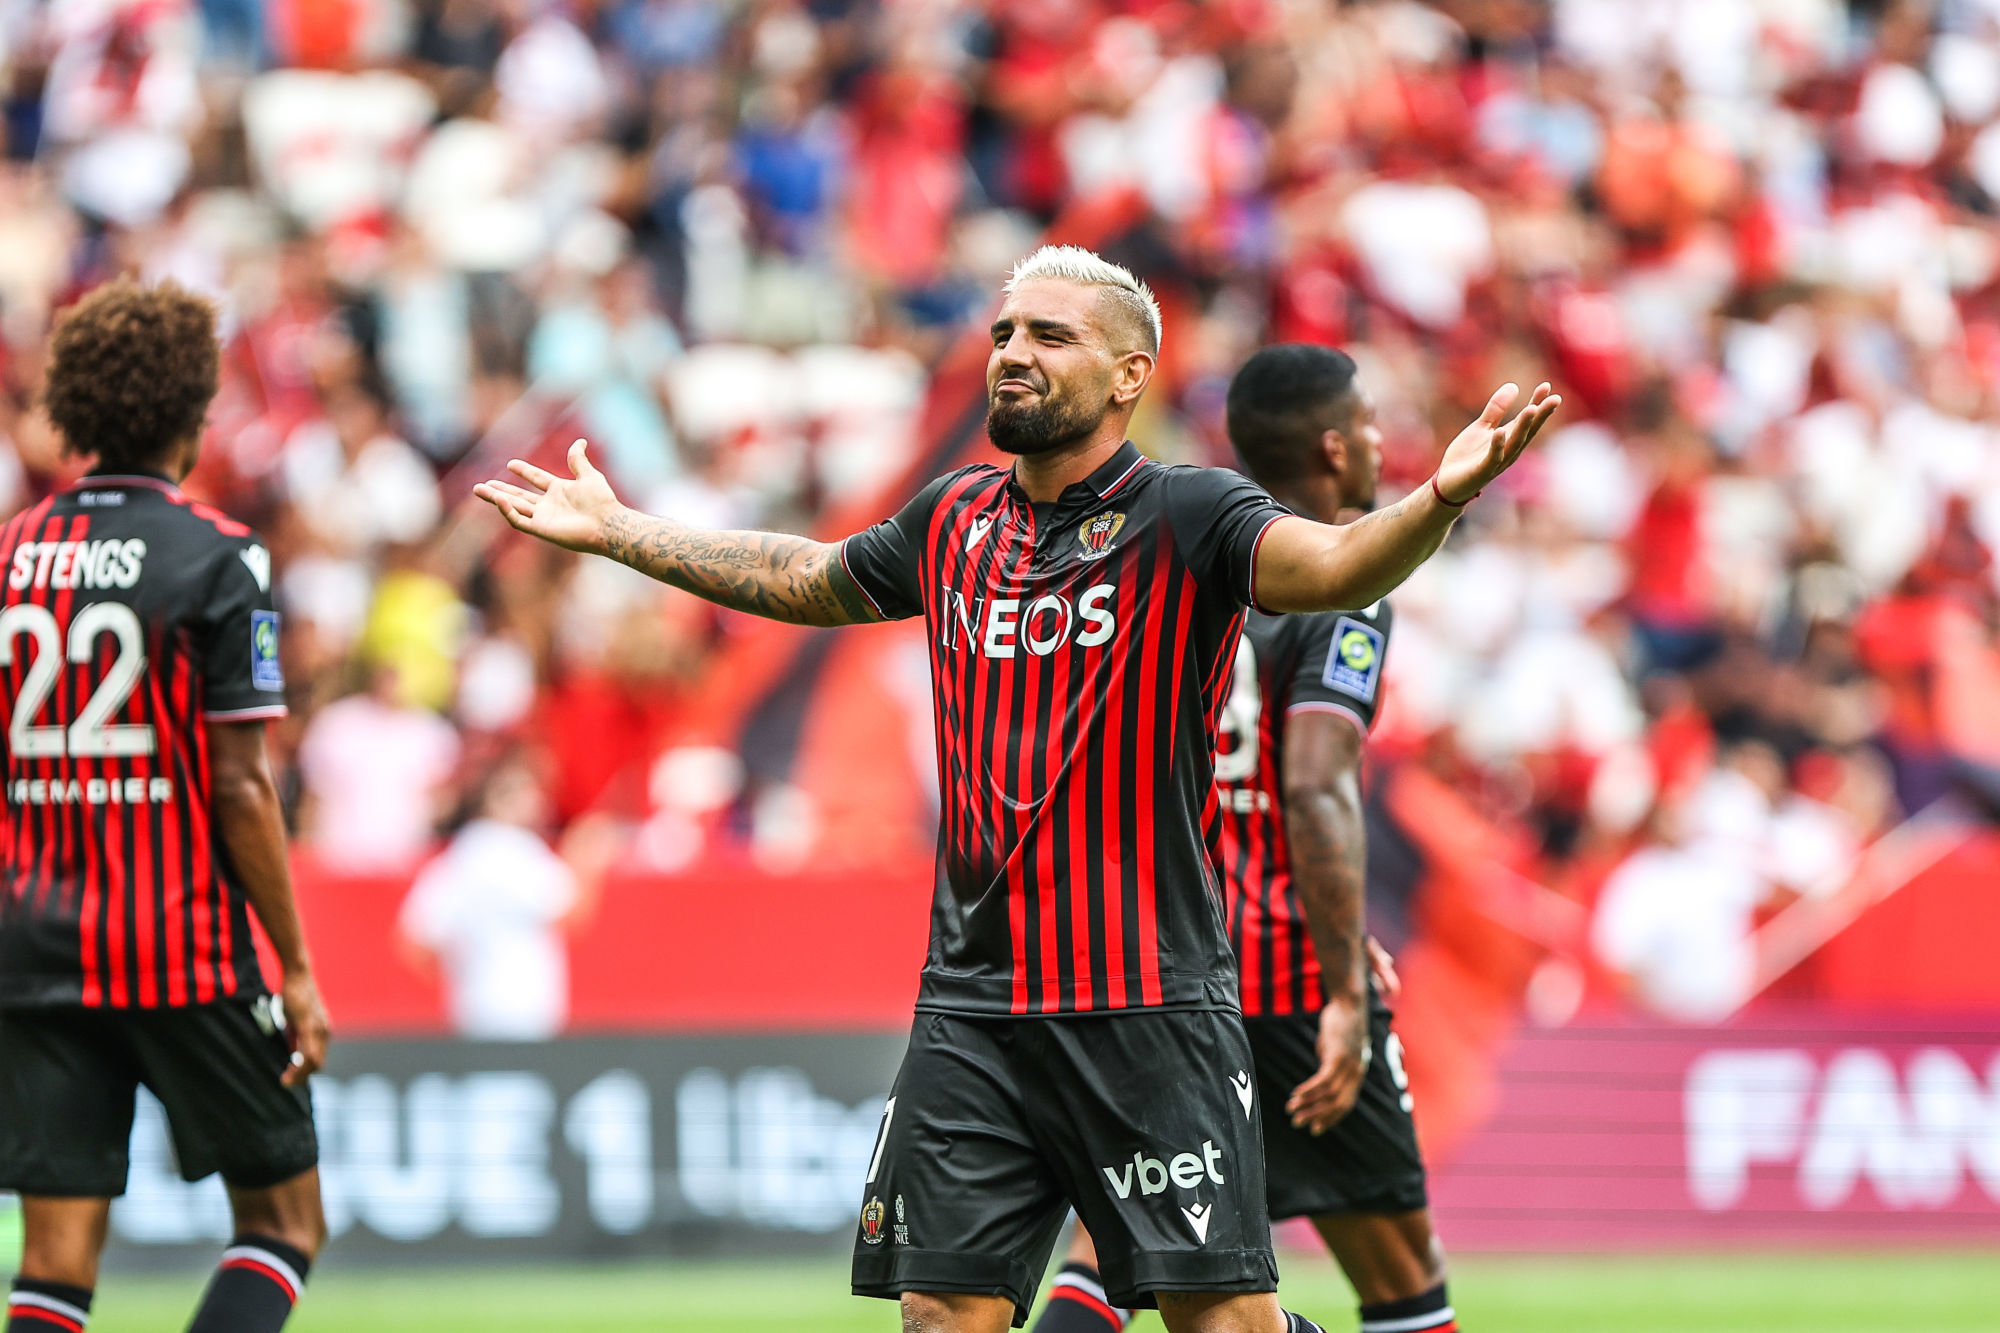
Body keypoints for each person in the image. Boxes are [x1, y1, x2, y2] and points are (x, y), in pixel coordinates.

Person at [476, 245, 1558, 1333]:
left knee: (1223, 1322)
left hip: (1146, 1003)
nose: (1012, 352)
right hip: (973, 1007)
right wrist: (620, 531)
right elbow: (808, 575)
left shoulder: (1190, 514)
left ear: (1129, 374)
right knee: (941, 1314)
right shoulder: (951, 518)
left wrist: (1438, 498)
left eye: (1049, 334)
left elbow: (1335, 568)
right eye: (1003, 332)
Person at [1033, 345, 1459, 1333]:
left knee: (1111, 1244)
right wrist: (1343, 981)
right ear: (1332, 447)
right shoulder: (1341, 579)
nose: (1378, 443)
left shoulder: (1171, 566)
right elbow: (1313, 786)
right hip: (1282, 972)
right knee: (1400, 1270)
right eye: (1366, 424)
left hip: (1159, 965)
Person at [0, 280, 329, 1333]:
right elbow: (241, 782)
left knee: (52, 1263)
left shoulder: (9, 556)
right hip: (177, 943)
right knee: (283, 1222)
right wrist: (296, 965)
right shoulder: (220, 556)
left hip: (31, 944)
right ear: (194, 408)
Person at [399, 759, 584, 1040]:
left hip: (474, 1008)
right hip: (529, 1007)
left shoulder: (456, 860)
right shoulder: (522, 853)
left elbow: (415, 939)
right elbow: (569, 910)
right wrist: (584, 856)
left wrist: (462, 969)